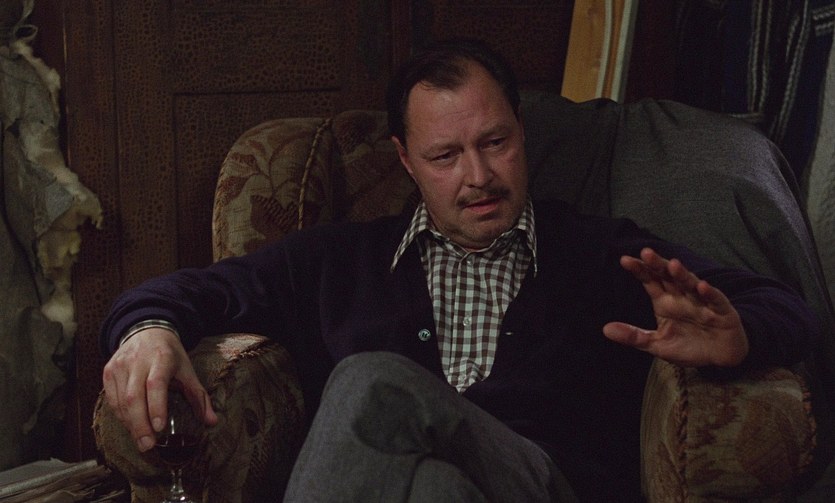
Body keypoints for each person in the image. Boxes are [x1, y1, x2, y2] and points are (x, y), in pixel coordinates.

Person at [100, 39, 818, 502]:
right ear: (406, 161)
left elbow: (784, 303)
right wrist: (148, 331)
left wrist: (739, 333)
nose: (478, 176)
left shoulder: (600, 252)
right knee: (433, 487)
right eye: (445, 156)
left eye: (495, 142)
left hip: (546, 485)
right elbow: (191, 290)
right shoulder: (337, 260)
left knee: (370, 383)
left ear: (521, 134)